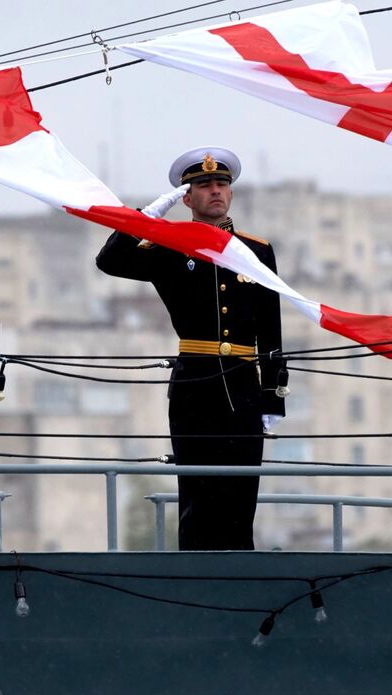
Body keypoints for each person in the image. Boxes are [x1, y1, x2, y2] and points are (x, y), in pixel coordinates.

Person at [95, 146, 287, 551]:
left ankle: (239, 574)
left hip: (243, 385)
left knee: (240, 494)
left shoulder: (257, 250)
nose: (215, 191)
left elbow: (271, 328)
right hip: (195, 384)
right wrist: (149, 216)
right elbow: (110, 260)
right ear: (187, 198)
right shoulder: (170, 246)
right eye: (204, 186)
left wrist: (273, 395)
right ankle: (197, 572)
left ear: (231, 193)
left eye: (221, 184)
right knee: (197, 492)